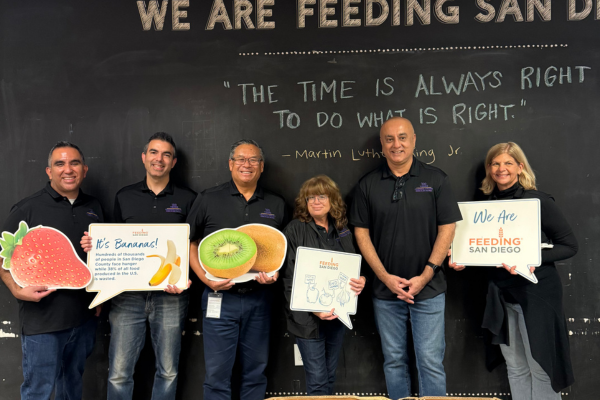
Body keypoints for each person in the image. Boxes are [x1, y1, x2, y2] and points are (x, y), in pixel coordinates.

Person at [449, 142, 577, 399]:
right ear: (489, 169)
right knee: (516, 367)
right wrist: (462, 258)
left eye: (508, 163)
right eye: (495, 163)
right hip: (501, 296)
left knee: (541, 367)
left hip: (536, 294)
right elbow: (485, 250)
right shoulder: (483, 207)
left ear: (520, 167)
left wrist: (530, 257)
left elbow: (569, 246)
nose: (501, 169)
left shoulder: (537, 201)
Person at [349, 117, 462, 399]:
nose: (396, 144)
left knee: (431, 363)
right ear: (382, 145)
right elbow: (361, 235)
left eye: (402, 137)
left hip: (429, 289)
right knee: (394, 362)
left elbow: (447, 228)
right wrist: (385, 278)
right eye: (389, 139)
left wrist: (426, 275)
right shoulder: (367, 184)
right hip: (386, 293)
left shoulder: (436, 179)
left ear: (413, 140)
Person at [82, 132, 197, 400]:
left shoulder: (189, 198)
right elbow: (112, 242)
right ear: (144, 158)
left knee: (168, 371)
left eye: (166, 154)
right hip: (126, 297)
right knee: (119, 372)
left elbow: (193, 245)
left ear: (174, 161)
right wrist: (94, 245)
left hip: (171, 296)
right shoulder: (125, 196)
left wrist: (187, 277)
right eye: (154, 153)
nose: (160, 159)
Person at [0, 141, 104, 400]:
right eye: (60, 163)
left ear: (85, 169)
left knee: (72, 388)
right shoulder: (27, 209)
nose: (67, 169)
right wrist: (16, 289)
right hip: (42, 323)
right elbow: (3, 258)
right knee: (39, 392)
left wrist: (101, 295)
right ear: (49, 171)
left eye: (74, 163)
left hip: (84, 319)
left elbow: (102, 258)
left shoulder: (95, 207)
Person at [187, 139, 288, 400]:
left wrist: (275, 275)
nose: (247, 164)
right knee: (217, 375)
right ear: (230, 164)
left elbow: (283, 252)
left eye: (253, 159)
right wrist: (205, 279)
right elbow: (189, 241)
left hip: (260, 299)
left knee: (255, 373)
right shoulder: (208, 198)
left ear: (262, 166)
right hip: (219, 298)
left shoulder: (276, 204)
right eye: (241, 159)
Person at [282, 175, 366, 395]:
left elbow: (354, 265)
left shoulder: (343, 230)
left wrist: (361, 280)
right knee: (318, 380)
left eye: (321, 196)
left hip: (337, 315)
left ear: (332, 200)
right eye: (310, 197)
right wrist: (314, 309)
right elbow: (289, 278)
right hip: (306, 318)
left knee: (329, 376)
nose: (316, 201)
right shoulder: (294, 229)